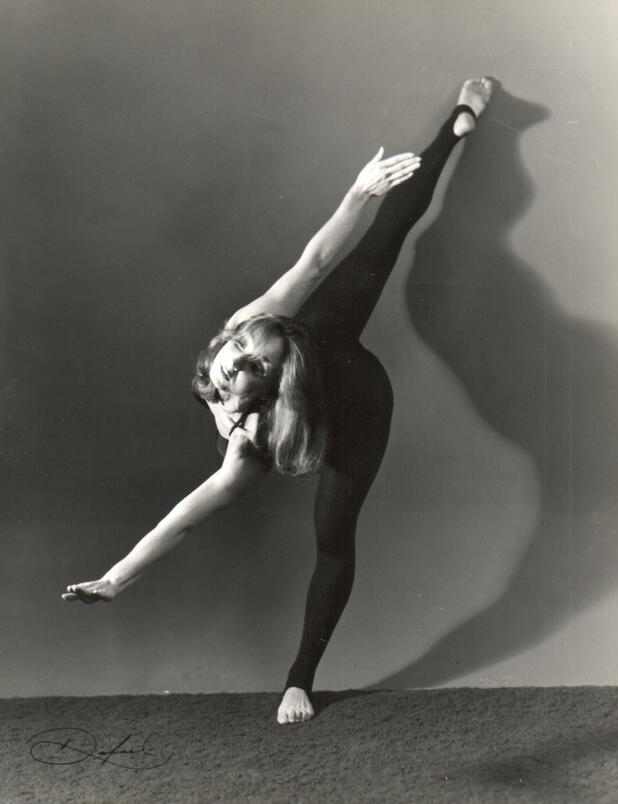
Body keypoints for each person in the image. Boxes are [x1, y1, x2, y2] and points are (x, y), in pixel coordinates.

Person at [63, 77, 493, 724]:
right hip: (314, 340)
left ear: (258, 388)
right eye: (235, 348)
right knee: (383, 224)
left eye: (244, 362)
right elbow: (316, 260)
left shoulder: (255, 429)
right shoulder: (252, 328)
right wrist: (356, 191)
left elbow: (188, 509)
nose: (230, 354)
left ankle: (459, 120)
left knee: (334, 537)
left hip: (357, 398)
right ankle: (457, 122)